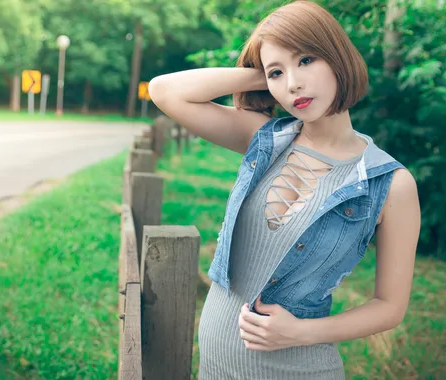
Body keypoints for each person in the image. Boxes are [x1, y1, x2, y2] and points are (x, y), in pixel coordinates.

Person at [148, 1, 421, 378]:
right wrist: (264, 75)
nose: (293, 83)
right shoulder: (264, 140)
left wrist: (300, 332)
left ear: (337, 56)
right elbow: (165, 91)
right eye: (278, 72)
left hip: (298, 370)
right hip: (215, 365)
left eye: (306, 60)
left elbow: (390, 306)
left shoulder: (389, 183)